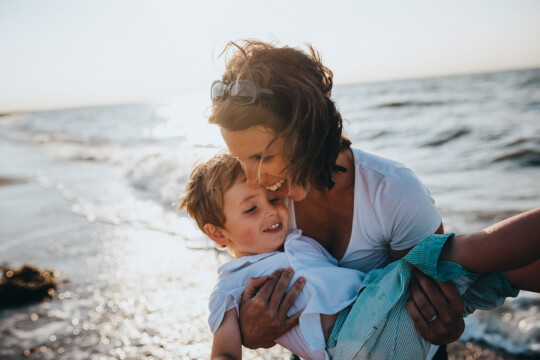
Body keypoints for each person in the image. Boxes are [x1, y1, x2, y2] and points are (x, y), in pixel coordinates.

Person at [208, 39, 462, 358]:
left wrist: (446, 324)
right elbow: (259, 287)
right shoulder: (265, 204)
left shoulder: (393, 192)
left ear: (308, 134)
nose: (252, 179)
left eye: (263, 157)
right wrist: (251, 331)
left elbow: (432, 303)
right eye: (239, 159)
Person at [176, 151, 540, 360]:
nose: (272, 211)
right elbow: (223, 352)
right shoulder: (232, 283)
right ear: (218, 233)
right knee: (454, 254)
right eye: (251, 210)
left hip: (388, 326)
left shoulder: (298, 240)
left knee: (499, 275)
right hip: (350, 340)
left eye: (272, 199)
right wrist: (247, 334)